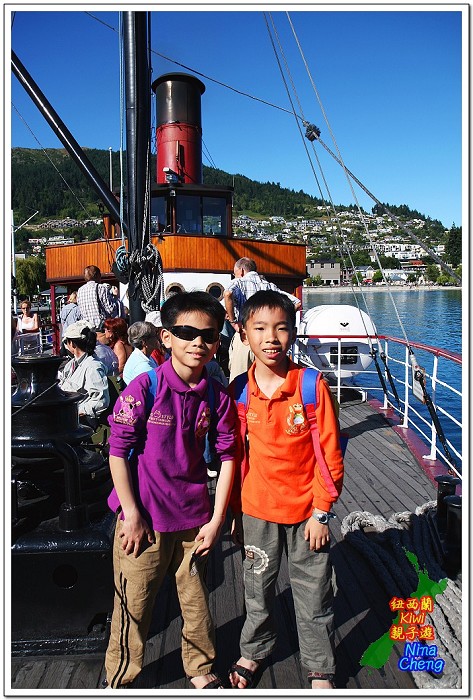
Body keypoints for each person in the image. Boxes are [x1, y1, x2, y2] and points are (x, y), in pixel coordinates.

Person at [104, 291, 237, 689]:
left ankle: (199, 667)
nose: (198, 342)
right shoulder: (144, 388)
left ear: (217, 341)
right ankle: (121, 676)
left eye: (208, 335)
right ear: (166, 337)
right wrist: (131, 514)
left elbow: (228, 456)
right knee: (133, 604)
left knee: (196, 602)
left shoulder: (216, 396)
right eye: (186, 332)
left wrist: (216, 519)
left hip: (194, 519)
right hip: (143, 519)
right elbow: (117, 451)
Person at [228, 290, 344, 691]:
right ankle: (254, 650)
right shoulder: (239, 392)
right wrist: (235, 513)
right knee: (257, 587)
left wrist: (322, 511)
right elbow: (235, 456)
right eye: (260, 328)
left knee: (314, 591)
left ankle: (320, 666)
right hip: (256, 510)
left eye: (280, 328)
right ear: (244, 334)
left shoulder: (310, 386)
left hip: (307, 514)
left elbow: (330, 454)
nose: (271, 337)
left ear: (293, 333)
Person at [224, 258, 301, 382]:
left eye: (235, 273)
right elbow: (296, 303)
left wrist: (233, 321)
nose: (235, 275)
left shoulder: (238, 282)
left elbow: (228, 294)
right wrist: (280, 322)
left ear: (241, 271)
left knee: (239, 380)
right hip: (267, 339)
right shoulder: (269, 286)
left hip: (245, 336)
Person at [58, 320, 110, 427]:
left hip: (82, 423)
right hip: (67, 417)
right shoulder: (70, 365)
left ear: (72, 344)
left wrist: (77, 411)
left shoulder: (93, 366)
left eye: (66, 342)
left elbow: (101, 401)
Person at [76, 265, 117, 330]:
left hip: (87, 329)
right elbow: (110, 309)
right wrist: (114, 297)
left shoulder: (80, 290)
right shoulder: (101, 288)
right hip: (100, 328)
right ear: (96, 275)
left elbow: (80, 312)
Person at [122, 321, 160, 386]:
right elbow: (156, 388)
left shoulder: (143, 356)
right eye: (155, 335)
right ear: (144, 342)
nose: (158, 337)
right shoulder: (143, 366)